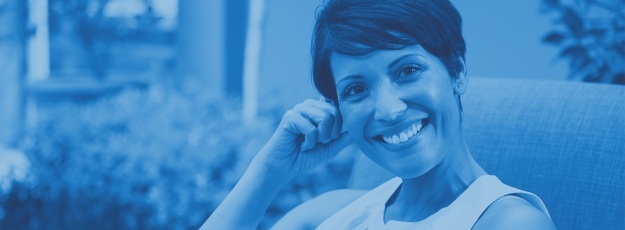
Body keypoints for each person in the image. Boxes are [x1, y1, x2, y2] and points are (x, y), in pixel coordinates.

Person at [201, 0, 556, 229]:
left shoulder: (507, 222)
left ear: (457, 70)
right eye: (356, 90)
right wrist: (271, 171)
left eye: (407, 71)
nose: (388, 110)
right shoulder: (331, 214)